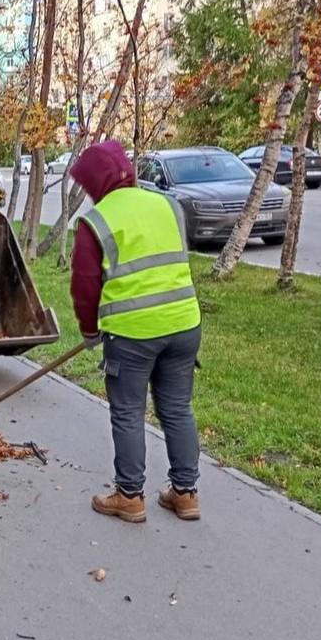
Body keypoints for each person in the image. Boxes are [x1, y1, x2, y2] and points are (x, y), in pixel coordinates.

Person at [68, 140, 203, 523]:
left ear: (95, 181)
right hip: (184, 324)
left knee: (128, 412)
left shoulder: (97, 221)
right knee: (177, 408)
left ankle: (129, 496)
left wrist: (90, 330)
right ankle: (185, 493)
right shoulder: (166, 205)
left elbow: (86, 286)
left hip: (132, 335)